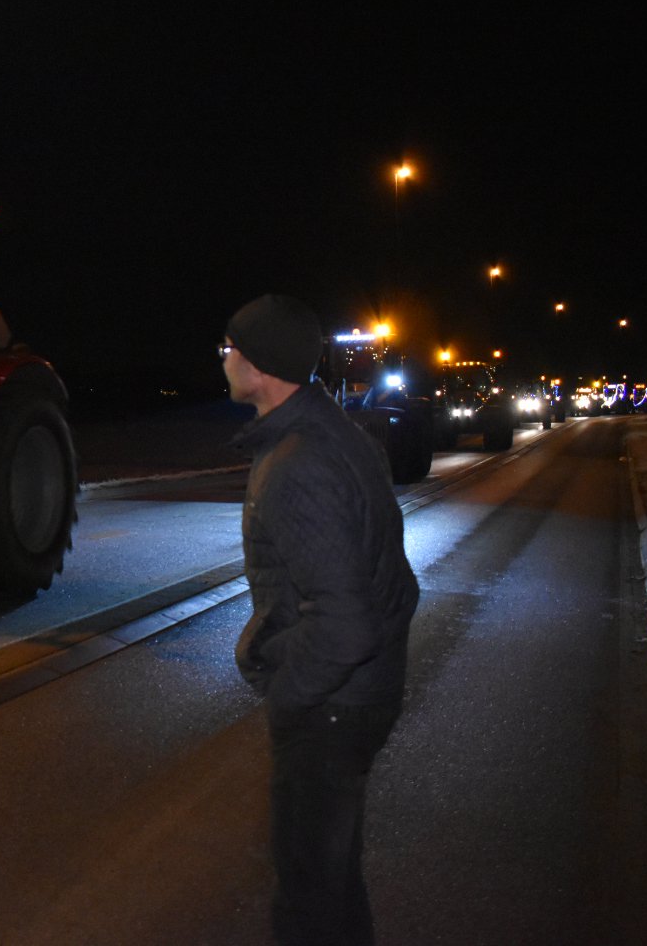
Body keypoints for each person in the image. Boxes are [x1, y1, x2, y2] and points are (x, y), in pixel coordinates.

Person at [220, 294, 420, 946]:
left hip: (332, 707)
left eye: (231, 349)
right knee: (331, 882)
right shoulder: (331, 434)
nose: (223, 359)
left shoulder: (298, 465)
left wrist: (288, 695)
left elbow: (345, 623)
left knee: (308, 897)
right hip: (358, 696)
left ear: (262, 366)